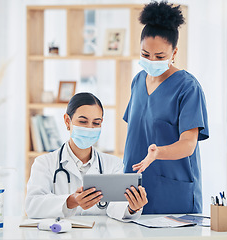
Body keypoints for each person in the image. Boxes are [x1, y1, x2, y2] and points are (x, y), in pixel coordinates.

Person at [123, 1, 209, 214]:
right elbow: (135, 135)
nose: (152, 61)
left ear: (174, 52)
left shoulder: (188, 88)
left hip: (173, 192)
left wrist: (157, 152)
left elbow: (188, 144)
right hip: (134, 191)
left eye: (160, 56)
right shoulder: (138, 82)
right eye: (145, 54)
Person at [26, 92, 148, 221]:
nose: (90, 128)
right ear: (68, 121)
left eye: (96, 123)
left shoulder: (112, 164)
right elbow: (33, 205)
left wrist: (132, 207)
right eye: (83, 121)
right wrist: (71, 201)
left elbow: (116, 205)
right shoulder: (44, 163)